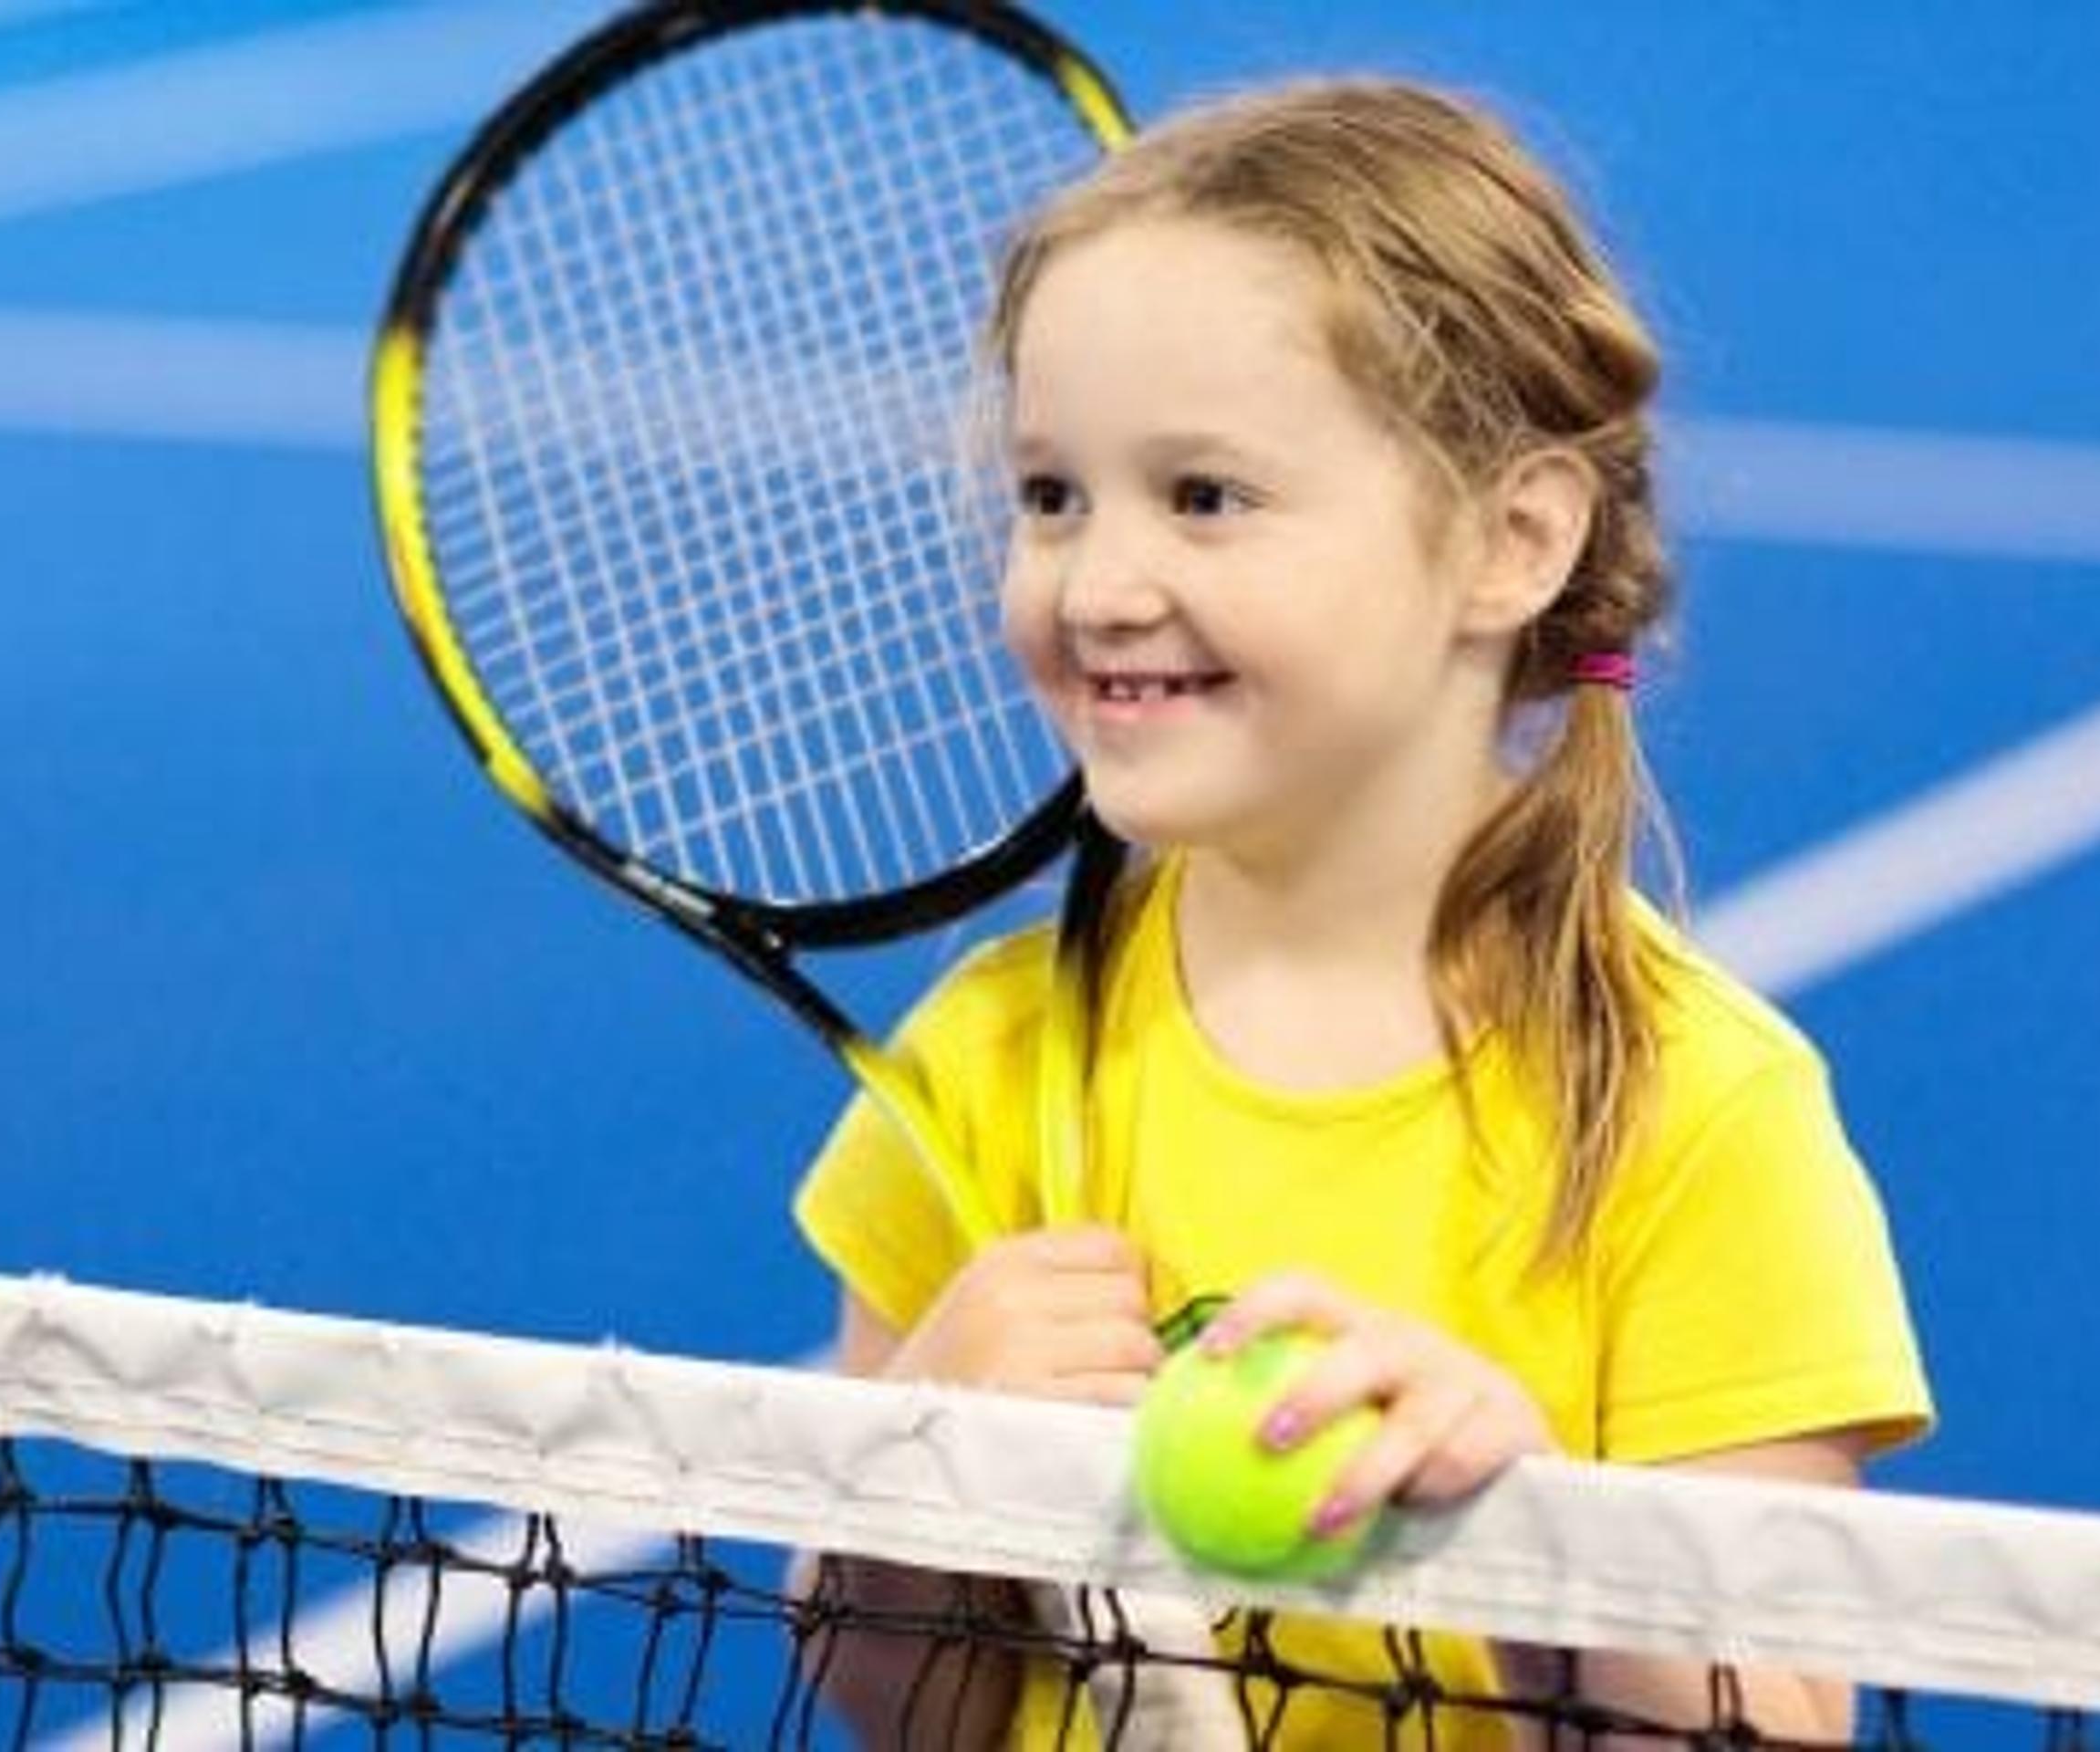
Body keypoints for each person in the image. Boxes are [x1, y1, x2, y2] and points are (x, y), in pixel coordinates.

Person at [793, 78, 1934, 1748]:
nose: (1097, 584)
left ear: (1511, 541)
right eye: (1050, 495)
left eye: (1204, 496)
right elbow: (906, 1706)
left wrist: (1536, 1549)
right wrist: (914, 1485)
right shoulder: (978, 1063)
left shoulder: (1698, 1115)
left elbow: (1768, 1734)